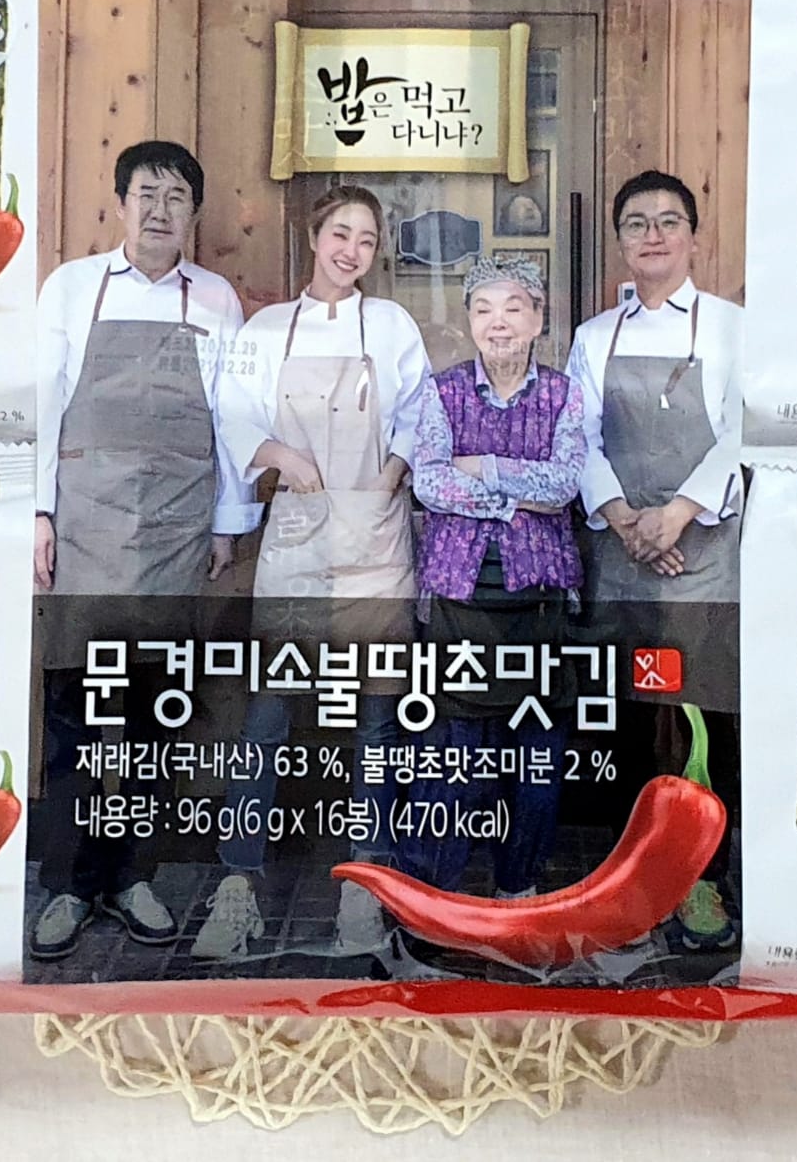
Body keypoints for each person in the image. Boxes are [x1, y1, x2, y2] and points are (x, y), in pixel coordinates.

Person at [30, 140, 260, 960]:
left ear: (194, 213)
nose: (160, 210)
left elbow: (233, 413)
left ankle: (133, 877)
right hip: (84, 528)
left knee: (156, 715)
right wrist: (38, 511)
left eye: (176, 198)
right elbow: (43, 401)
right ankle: (69, 885)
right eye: (146, 194)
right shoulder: (71, 288)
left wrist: (229, 520)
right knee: (75, 717)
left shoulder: (216, 298)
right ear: (121, 202)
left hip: (174, 529)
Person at [195, 184, 429, 959]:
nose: (351, 250)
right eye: (340, 233)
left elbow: (419, 414)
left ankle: (365, 886)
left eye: (366, 239)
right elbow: (234, 414)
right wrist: (278, 455)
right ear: (312, 235)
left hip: (375, 540)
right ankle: (238, 882)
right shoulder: (267, 329)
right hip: (296, 537)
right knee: (268, 713)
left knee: (376, 720)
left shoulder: (390, 325)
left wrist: (390, 474)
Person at [566, 169, 742, 952]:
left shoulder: (733, 328)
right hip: (624, 553)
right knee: (632, 723)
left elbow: (741, 433)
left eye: (670, 220)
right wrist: (624, 519)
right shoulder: (594, 337)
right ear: (621, 240)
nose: (654, 235)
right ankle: (631, 882)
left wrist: (676, 515)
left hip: (704, 555)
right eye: (637, 222)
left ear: (694, 237)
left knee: (707, 719)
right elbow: (578, 439)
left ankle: (704, 878)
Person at [401, 254, 586, 907]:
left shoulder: (563, 394)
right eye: (483, 309)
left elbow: (564, 484)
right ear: (469, 321)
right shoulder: (442, 390)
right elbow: (429, 480)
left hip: (540, 595)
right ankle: (434, 900)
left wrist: (481, 465)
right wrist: (512, 499)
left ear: (538, 318)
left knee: (536, 754)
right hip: (459, 593)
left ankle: (518, 888)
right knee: (450, 756)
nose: (498, 322)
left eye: (513, 308)